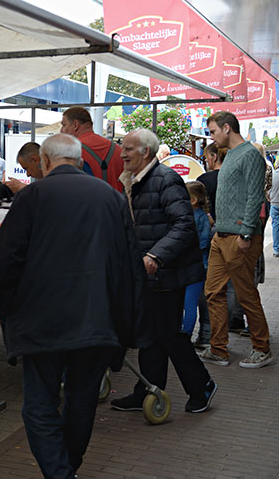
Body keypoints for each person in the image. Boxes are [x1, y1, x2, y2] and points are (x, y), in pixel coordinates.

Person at [0, 134, 144, 478]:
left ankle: (61, 473)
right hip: (97, 321)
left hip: (43, 322)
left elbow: (4, 259)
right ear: (78, 160)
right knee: (81, 401)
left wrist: (12, 310)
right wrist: (128, 323)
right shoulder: (112, 197)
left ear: (44, 160)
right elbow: (130, 265)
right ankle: (67, 468)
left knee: (39, 407)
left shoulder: (31, 196)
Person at [112, 128, 216, 414]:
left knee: (167, 334)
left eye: (128, 148)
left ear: (146, 151)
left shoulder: (165, 179)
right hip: (147, 273)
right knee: (149, 333)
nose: (122, 153)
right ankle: (148, 388)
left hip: (168, 272)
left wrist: (156, 255)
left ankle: (201, 385)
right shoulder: (133, 181)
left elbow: (184, 225)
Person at [199, 111, 273, 369]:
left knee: (246, 295)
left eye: (213, 132)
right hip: (221, 234)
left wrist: (246, 233)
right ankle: (219, 349)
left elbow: (255, 195)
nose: (212, 137)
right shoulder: (230, 155)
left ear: (227, 128)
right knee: (213, 292)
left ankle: (262, 349)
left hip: (240, 236)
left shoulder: (250, 154)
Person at [60, 106, 124, 191]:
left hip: (87, 203)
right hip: (117, 202)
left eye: (64, 125)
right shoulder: (118, 150)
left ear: (75, 125)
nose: (61, 130)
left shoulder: (71, 152)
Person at [185, 181, 213, 346]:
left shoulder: (198, 218)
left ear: (193, 200)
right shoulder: (203, 216)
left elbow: (200, 243)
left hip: (195, 267)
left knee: (189, 304)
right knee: (189, 303)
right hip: (197, 267)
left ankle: (185, 335)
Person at [197, 142, 226, 221]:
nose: (206, 160)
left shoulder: (203, 179)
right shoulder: (233, 176)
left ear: (214, 157)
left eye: (207, 157)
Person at [270, 158, 279, 258]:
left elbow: (268, 189)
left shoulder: (273, 174)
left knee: (276, 226)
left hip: (274, 203)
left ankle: (276, 249)